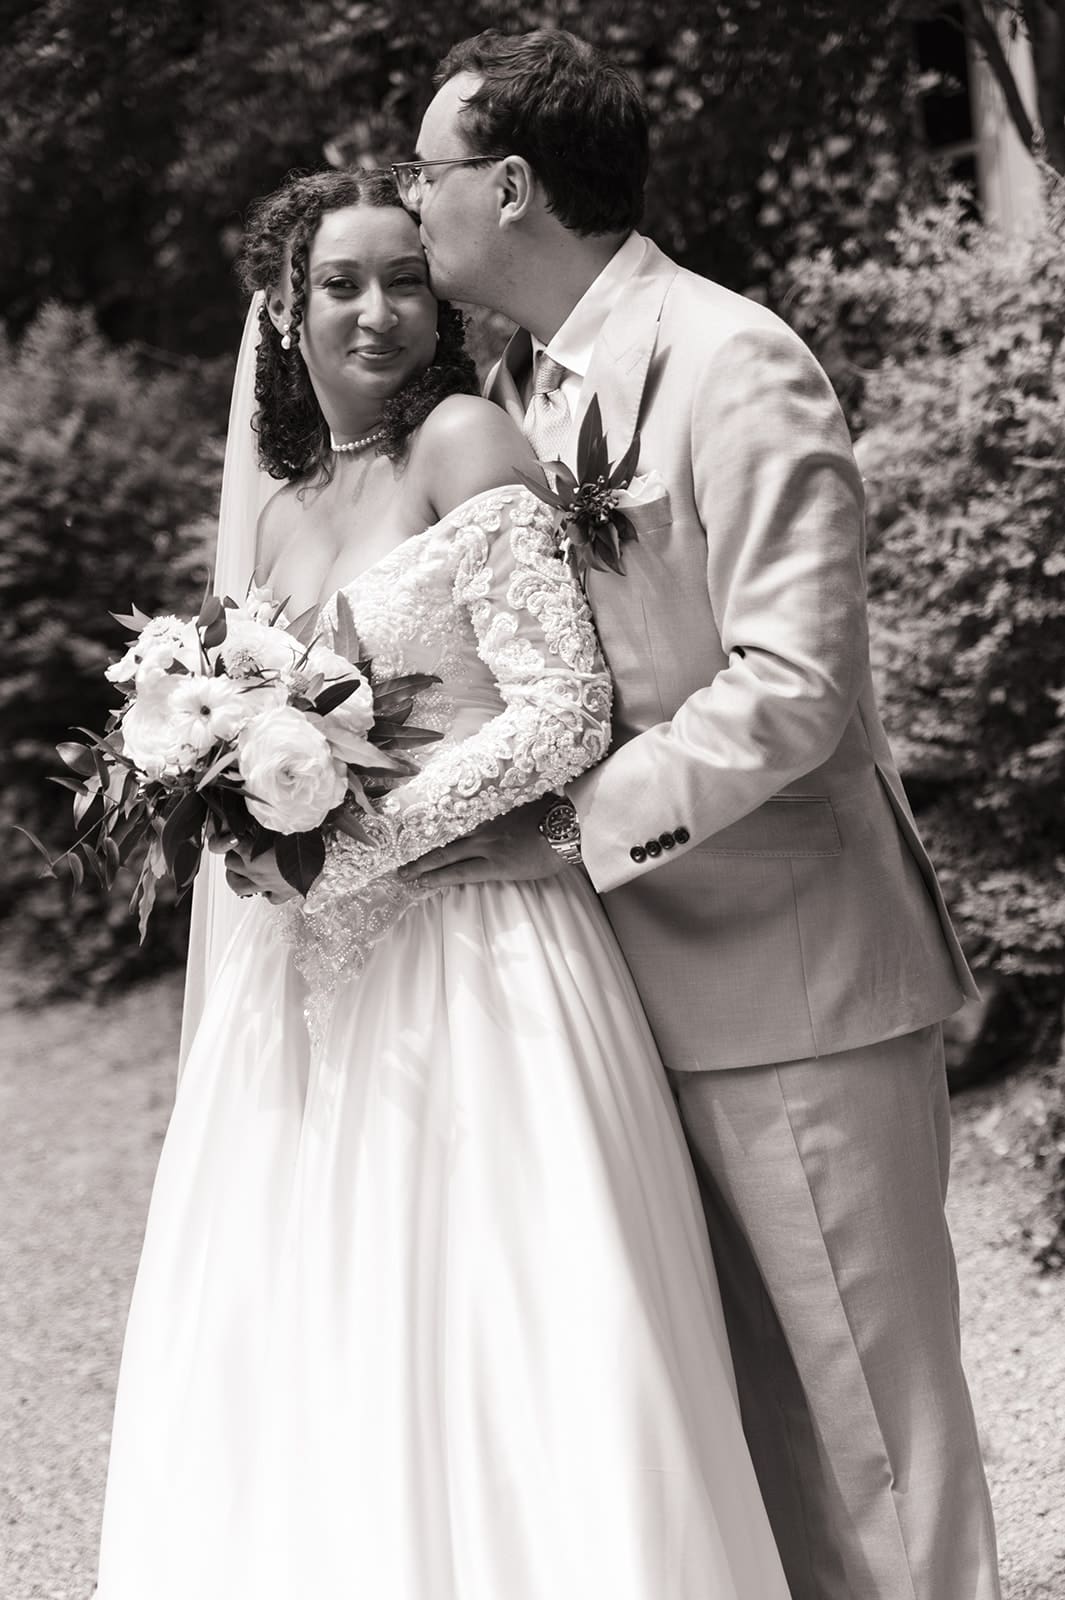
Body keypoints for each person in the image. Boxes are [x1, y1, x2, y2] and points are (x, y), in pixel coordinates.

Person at [95, 168, 792, 1599]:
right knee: (322, 1325)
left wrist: (349, 843)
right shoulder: (284, 510)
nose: (377, 309)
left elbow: (561, 711)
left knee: (511, 1325)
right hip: (307, 992)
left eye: (404, 279)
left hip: (481, 953)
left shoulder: (465, 440)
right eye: (339, 283)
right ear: (281, 318)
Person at [397, 28, 1002, 1600]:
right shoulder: (507, 395)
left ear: (512, 186)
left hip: (784, 975)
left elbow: (795, 685)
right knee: (742, 1438)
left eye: (428, 170)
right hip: (605, 1006)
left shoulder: (729, 357)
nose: (411, 200)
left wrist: (571, 830)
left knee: (870, 1427)